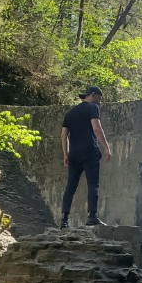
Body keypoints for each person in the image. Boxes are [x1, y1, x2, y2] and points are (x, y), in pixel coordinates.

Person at [59, 85, 112, 227]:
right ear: (93, 95)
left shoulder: (70, 113)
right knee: (93, 184)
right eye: (99, 99)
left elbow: (64, 135)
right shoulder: (92, 108)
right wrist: (106, 147)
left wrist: (66, 154)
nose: (99, 102)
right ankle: (92, 217)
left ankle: (64, 219)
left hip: (74, 155)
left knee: (70, 186)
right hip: (90, 152)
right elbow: (96, 128)